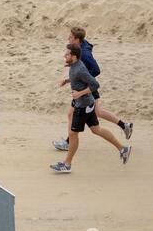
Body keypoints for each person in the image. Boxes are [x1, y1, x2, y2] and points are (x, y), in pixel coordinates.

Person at [50, 44, 132, 173]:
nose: (64, 56)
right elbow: (79, 79)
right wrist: (67, 80)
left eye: (67, 54)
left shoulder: (80, 69)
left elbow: (95, 84)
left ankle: (67, 164)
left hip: (82, 106)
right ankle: (123, 149)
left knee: (73, 134)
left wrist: (79, 93)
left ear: (74, 56)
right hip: (87, 104)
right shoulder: (75, 66)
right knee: (96, 129)